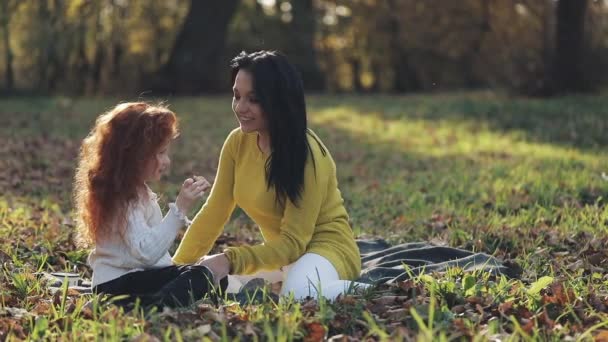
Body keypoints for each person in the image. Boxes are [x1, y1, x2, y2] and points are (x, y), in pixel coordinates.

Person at [172, 51, 367, 300]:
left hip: (326, 250)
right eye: (237, 96)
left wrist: (229, 259)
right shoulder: (237, 143)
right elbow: (214, 212)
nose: (241, 107)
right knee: (206, 282)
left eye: (253, 99)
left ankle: (378, 290)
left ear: (277, 100)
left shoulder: (307, 154)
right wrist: (176, 268)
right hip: (280, 257)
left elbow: (294, 242)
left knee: (298, 295)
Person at [74, 102, 218, 308]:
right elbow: (146, 252)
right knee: (202, 275)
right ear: (135, 156)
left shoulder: (134, 190)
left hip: (133, 280)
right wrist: (180, 208)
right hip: (120, 284)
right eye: (160, 153)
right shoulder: (126, 196)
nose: (166, 160)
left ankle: (154, 302)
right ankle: (148, 307)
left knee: (211, 274)